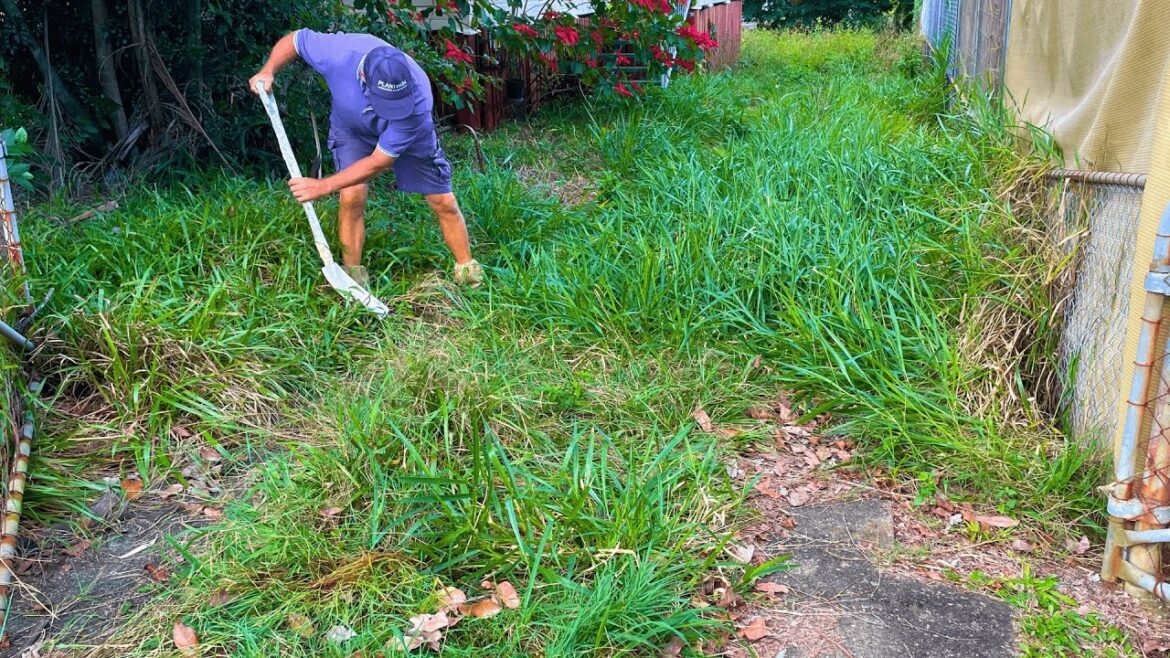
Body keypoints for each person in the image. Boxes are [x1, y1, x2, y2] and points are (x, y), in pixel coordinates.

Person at [249, 29, 482, 288]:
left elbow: (377, 163)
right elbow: (295, 39)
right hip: (351, 128)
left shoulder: (417, 101)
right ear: (362, 76)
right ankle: (353, 281)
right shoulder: (337, 54)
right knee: (351, 196)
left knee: (443, 200)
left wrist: (322, 185)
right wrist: (268, 69)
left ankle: (469, 275)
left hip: (410, 133)